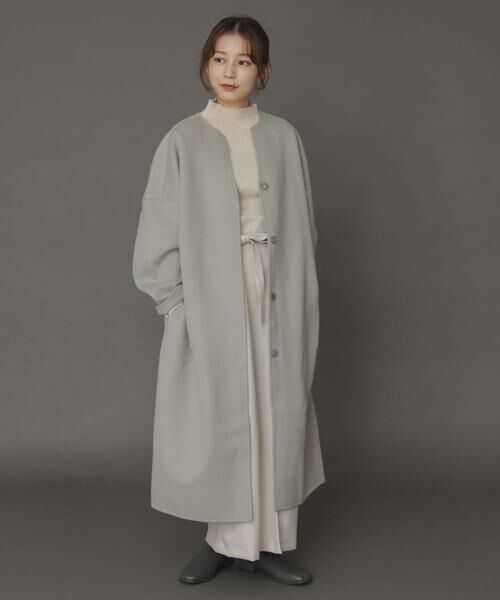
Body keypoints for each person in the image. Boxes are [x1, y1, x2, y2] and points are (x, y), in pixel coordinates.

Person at [132, 15, 325, 586]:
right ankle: (223, 541)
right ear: (205, 64)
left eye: (243, 60)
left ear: (263, 71)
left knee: (273, 409)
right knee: (223, 413)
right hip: (212, 292)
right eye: (220, 58)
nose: (230, 71)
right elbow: (156, 231)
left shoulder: (284, 137)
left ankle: (267, 543)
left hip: (276, 287)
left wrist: (299, 295)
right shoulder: (182, 139)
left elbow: (304, 225)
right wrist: (176, 306)